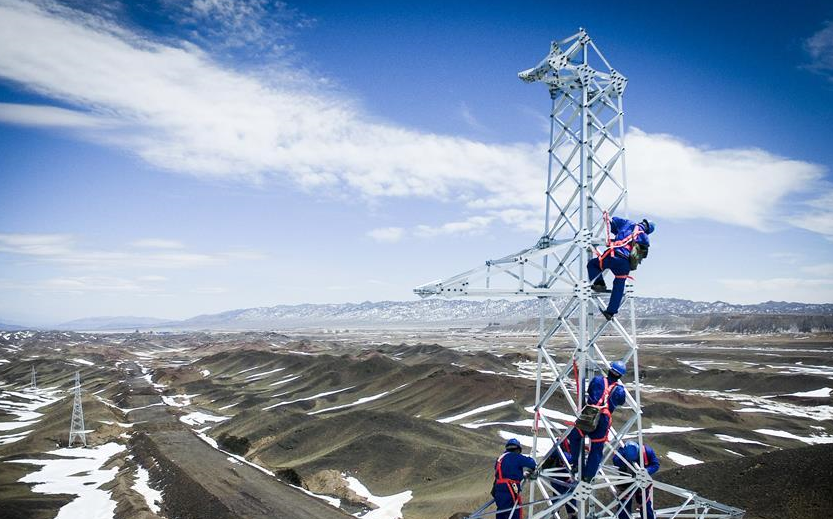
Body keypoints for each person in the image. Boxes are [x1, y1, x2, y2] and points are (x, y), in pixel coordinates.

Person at [567, 361, 627, 481]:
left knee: (574, 436)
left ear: (610, 370)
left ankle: (577, 464)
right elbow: (621, 401)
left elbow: (590, 391)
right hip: (603, 419)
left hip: (589, 414)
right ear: (620, 376)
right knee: (596, 448)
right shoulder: (620, 390)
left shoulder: (597, 380)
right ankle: (588, 476)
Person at [588, 216, 655, 320]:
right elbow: (643, 255)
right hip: (625, 263)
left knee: (593, 264)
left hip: (613, 255)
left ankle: (599, 284)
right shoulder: (645, 238)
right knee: (619, 286)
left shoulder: (629, 223)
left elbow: (613, 221)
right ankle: (610, 312)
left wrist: (610, 221)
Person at [613, 441, 660, 519]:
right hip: (626, 480)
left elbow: (655, 465)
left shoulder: (647, 452)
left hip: (641, 481)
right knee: (624, 505)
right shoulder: (621, 453)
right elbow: (616, 461)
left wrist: (646, 471)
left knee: (645, 504)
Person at [492, 438, 537, 519]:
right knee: (514, 511)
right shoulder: (516, 457)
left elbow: (504, 473)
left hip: (498, 487)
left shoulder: (500, 458)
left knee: (501, 512)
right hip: (510, 488)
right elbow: (531, 463)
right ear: (518, 449)